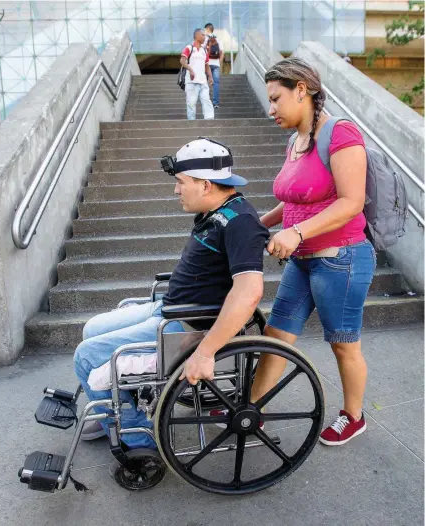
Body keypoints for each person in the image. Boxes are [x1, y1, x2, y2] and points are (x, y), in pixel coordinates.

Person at [74, 138, 269, 448]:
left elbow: (249, 293)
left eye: (181, 182)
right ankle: (111, 407)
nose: (176, 190)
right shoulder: (217, 212)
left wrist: (205, 353)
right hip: (169, 308)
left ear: (206, 185)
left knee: (85, 357)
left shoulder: (239, 223)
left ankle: (138, 434)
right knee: (91, 329)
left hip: (185, 325)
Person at [248, 57, 376, 447]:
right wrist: (255, 224)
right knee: (276, 336)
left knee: (343, 342)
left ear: (301, 90)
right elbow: (294, 201)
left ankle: (353, 417)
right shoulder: (296, 140)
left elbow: (352, 202)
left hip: (343, 259)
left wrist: (297, 232)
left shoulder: (341, 133)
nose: (271, 108)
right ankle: (252, 411)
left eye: (275, 99)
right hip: (302, 261)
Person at [180, 29, 214, 120]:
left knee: (206, 100)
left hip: (203, 81)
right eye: (202, 35)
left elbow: (207, 65)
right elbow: (182, 60)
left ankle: (210, 120)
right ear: (197, 35)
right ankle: (191, 122)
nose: (204, 37)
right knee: (191, 104)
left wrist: (210, 77)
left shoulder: (204, 51)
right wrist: (190, 70)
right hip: (191, 82)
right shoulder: (189, 48)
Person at [204, 23, 224, 108]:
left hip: (207, 64)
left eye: (205, 30)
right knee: (216, 83)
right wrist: (219, 63)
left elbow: (202, 51)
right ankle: (215, 103)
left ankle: (206, 101)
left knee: (204, 83)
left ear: (208, 29)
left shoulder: (205, 39)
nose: (204, 31)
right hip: (216, 64)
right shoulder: (218, 39)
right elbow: (222, 52)